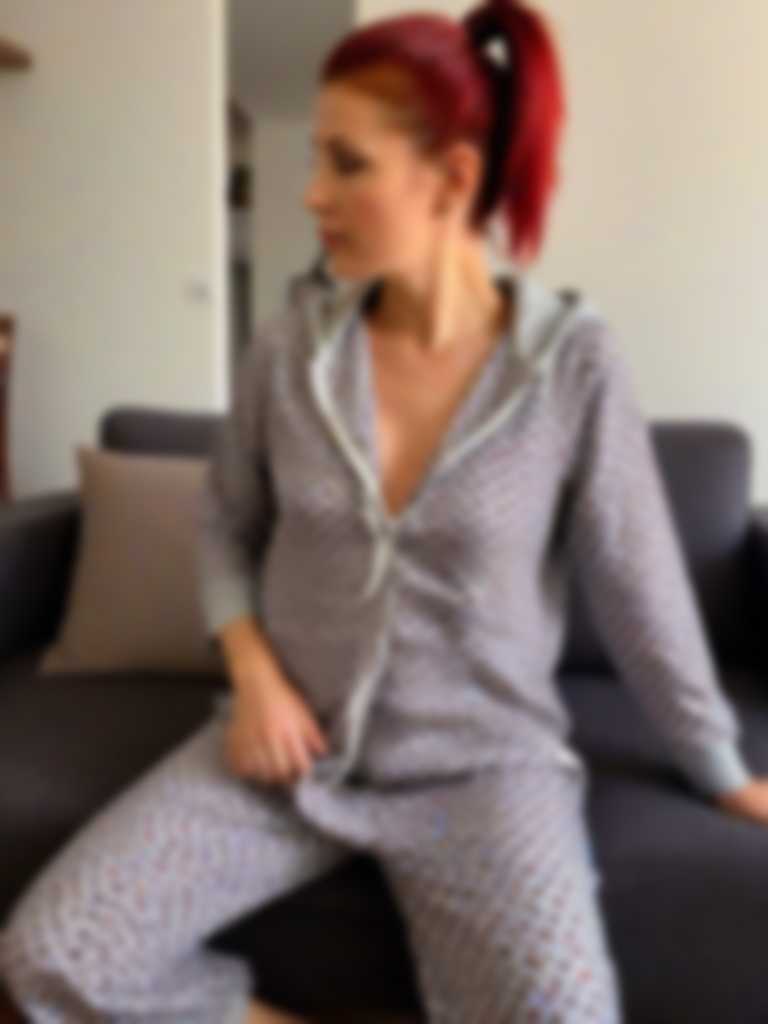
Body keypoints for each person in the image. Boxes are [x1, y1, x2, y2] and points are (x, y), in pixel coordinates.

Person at [3, 2, 768, 1022]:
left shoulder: (570, 366)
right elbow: (226, 523)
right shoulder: (289, 348)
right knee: (50, 957)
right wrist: (255, 674)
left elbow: (640, 585)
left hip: (483, 769)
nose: (312, 193)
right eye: (314, 158)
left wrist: (722, 771)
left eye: (347, 163)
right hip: (288, 755)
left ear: (452, 177)